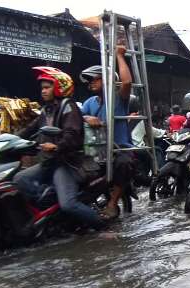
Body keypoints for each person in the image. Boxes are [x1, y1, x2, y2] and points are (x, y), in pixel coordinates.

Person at [15, 67, 105, 229]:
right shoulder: (46, 109)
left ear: (59, 87)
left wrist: (57, 146)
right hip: (50, 161)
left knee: (68, 204)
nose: (43, 91)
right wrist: (8, 139)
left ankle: (102, 227)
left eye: (47, 87)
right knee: (19, 179)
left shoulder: (68, 107)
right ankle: (48, 209)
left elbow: (72, 135)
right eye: (42, 88)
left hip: (67, 163)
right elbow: (30, 129)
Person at [79, 45, 135, 219]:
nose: (91, 83)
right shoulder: (89, 102)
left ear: (107, 79)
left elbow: (127, 83)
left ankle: (112, 204)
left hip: (120, 149)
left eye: (95, 79)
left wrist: (119, 56)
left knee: (123, 164)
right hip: (97, 151)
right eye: (89, 81)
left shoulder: (119, 97)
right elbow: (77, 117)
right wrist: (86, 118)